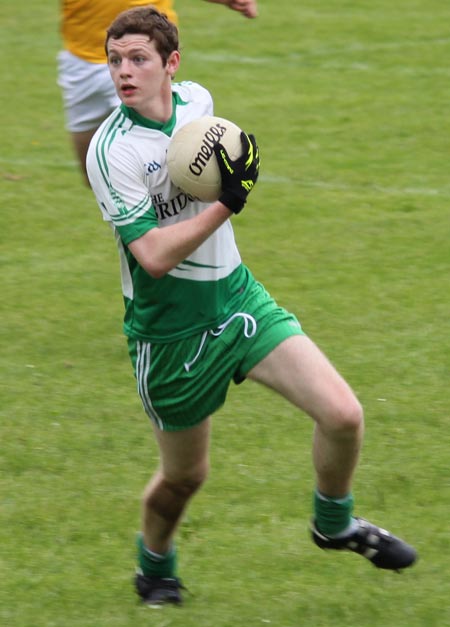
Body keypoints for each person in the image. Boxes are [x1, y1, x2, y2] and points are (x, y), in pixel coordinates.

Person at [86, 6, 417, 607]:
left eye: (138, 59)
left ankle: (334, 523)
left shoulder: (199, 105)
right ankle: (154, 567)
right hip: (170, 334)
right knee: (186, 477)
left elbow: (218, 164)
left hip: (237, 299)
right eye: (115, 61)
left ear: (172, 64)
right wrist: (226, 203)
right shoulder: (112, 152)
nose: (124, 72)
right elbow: (153, 255)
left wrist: (235, 161)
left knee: (344, 414)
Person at [58, 0, 258, 185]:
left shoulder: (196, 95)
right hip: (81, 55)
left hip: (149, 51)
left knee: (178, 168)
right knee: (97, 176)